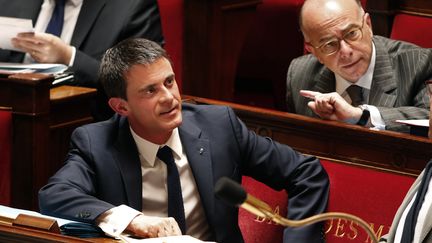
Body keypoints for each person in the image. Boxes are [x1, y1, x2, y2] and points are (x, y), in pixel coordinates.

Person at [38, 38, 330, 242]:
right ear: (121, 107)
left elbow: (306, 173)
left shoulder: (219, 127)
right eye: (150, 91)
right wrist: (133, 221)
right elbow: (54, 195)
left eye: (169, 81)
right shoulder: (96, 142)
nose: (169, 97)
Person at [0, 0, 164, 121]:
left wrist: (68, 56)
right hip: (13, 114)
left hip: (88, 129)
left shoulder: (132, 7)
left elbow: (141, 83)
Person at [286, 0, 432, 132]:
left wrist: (360, 116)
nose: (346, 52)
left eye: (351, 34)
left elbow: (427, 118)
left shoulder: (419, 63)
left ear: (368, 25)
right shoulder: (300, 74)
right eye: (329, 44)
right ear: (314, 52)